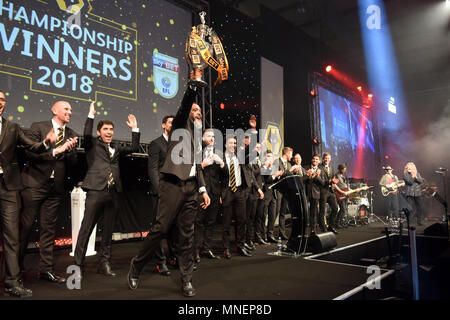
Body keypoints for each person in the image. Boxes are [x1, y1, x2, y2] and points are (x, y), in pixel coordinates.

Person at [128, 71, 210, 298]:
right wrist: (192, 89)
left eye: (200, 112)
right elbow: (184, 107)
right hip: (172, 185)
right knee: (160, 229)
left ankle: (186, 280)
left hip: (192, 188)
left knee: (186, 235)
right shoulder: (180, 126)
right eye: (195, 110)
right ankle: (137, 264)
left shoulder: (197, 135)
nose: (197, 113)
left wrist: (202, 188)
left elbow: (197, 165)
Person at [0, 89, 62, 297]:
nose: (0, 102)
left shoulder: (12, 127)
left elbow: (31, 146)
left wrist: (46, 143)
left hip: (7, 187)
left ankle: (11, 281)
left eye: (3, 100)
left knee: (12, 235)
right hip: (22, 186)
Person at [74, 102, 140, 278]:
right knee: (86, 229)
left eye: (111, 129)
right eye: (106, 129)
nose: (109, 132)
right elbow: (86, 134)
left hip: (113, 192)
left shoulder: (116, 148)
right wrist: (90, 115)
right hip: (96, 190)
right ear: (99, 132)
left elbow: (134, 148)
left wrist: (135, 129)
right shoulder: (92, 144)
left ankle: (104, 263)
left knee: (108, 230)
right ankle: (78, 266)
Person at [19, 101, 78, 284]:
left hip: (55, 188)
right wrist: (55, 150)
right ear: (54, 111)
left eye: (70, 109)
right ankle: (15, 272)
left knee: (48, 230)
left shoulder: (71, 134)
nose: (70, 112)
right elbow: (30, 154)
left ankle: (46, 270)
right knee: (25, 228)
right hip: (34, 185)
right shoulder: (38, 127)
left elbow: (72, 165)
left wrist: (70, 150)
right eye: (66, 109)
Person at [221, 135, 261, 259]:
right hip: (227, 191)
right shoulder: (220, 157)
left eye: (235, 143)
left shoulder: (240, 156)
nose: (233, 145)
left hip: (239, 191)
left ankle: (240, 246)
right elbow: (216, 177)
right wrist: (219, 194)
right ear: (225, 145)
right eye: (230, 143)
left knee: (242, 220)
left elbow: (251, 155)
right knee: (226, 222)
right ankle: (225, 248)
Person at [147, 115, 175, 276]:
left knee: (174, 228)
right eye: (171, 122)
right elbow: (152, 170)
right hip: (160, 193)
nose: (173, 125)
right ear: (164, 125)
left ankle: (174, 257)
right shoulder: (156, 144)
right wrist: (160, 191)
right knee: (159, 228)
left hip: (175, 192)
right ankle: (160, 262)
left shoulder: (178, 144)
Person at [194, 128, 223, 263]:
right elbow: (191, 171)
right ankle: (195, 251)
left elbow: (226, 176)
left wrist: (222, 164)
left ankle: (206, 248)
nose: (212, 138)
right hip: (201, 191)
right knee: (198, 222)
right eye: (209, 136)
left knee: (211, 222)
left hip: (215, 193)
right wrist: (202, 165)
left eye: (213, 136)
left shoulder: (219, 153)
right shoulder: (197, 153)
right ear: (202, 138)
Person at [318, 152, 339, 234]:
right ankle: (323, 228)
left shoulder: (331, 167)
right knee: (322, 211)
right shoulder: (320, 167)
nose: (327, 160)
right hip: (323, 191)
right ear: (323, 159)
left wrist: (335, 181)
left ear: (330, 159)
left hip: (331, 191)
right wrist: (330, 181)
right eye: (325, 158)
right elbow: (321, 181)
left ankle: (331, 226)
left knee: (335, 209)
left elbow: (333, 177)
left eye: (328, 158)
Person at [304, 155, 324, 235]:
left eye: (317, 159)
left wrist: (317, 176)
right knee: (305, 211)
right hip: (305, 193)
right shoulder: (306, 168)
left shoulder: (321, 170)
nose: (315, 160)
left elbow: (322, 183)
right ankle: (304, 229)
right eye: (314, 159)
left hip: (315, 193)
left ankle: (313, 229)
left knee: (313, 212)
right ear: (311, 160)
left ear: (319, 161)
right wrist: (308, 176)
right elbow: (302, 180)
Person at [333, 164, 351, 228]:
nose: (344, 171)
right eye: (343, 170)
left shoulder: (342, 176)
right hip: (339, 194)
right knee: (342, 209)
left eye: (345, 170)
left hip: (344, 194)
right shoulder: (336, 175)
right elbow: (335, 185)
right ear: (340, 169)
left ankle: (341, 222)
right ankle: (337, 223)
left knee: (345, 209)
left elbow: (344, 185)